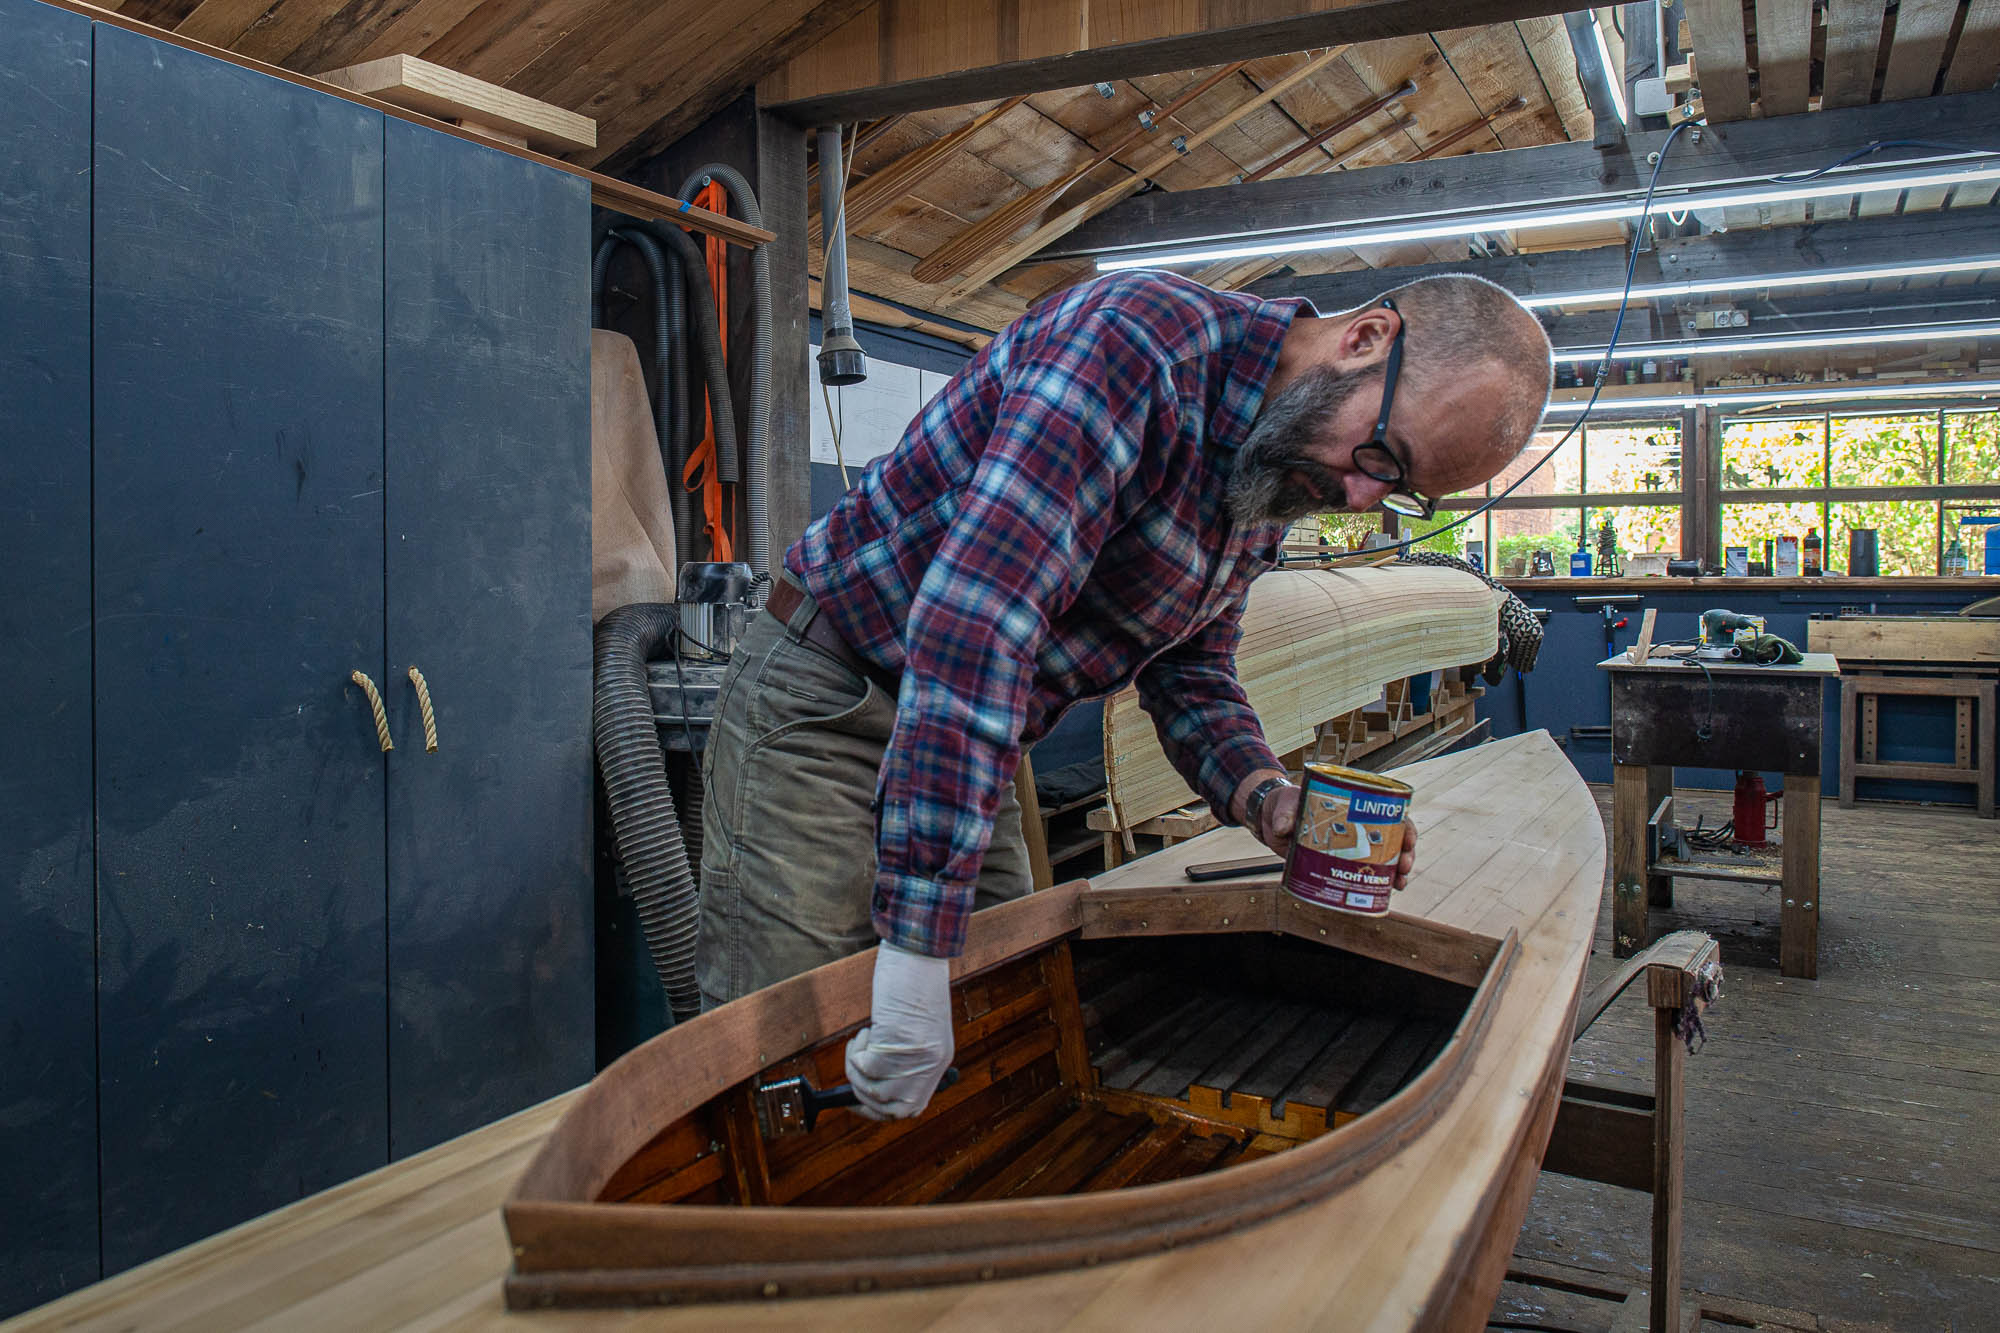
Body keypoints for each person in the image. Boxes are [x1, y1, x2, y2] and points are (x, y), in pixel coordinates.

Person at [696, 269, 1552, 1119]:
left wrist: (1266, 799)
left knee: (1001, 1026)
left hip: (971, 734)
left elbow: (1194, 663)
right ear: (1364, 339)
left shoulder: (1275, 461)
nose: (1361, 494)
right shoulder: (1132, 345)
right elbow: (979, 623)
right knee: (789, 1048)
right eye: (1381, 457)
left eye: (1396, 488)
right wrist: (918, 952)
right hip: (832, 697)